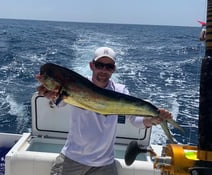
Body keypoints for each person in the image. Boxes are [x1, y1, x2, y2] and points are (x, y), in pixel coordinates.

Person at [36, 47, 173, 175]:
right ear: (91, 66)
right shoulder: (76, 86)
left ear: (114, 69)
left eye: (109, 66)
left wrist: (154, 119)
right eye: (99, 65)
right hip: (72, 159)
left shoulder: (120, 91)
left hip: (105, 164)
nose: (104, 70)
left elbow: (135, 121)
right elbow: (59, 103)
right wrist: (52, 97)